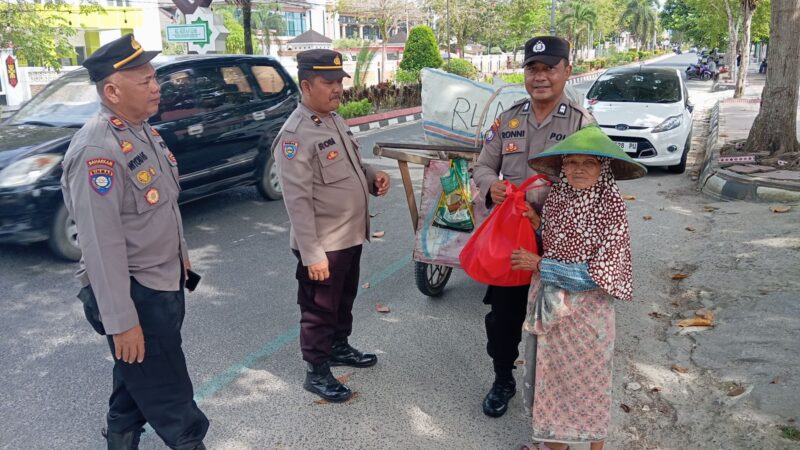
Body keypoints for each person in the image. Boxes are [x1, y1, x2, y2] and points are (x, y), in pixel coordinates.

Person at [60, 34, 208, 449]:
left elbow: (160, 210)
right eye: (143, 80)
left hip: (160, 284)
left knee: (134, 382)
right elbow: (101, 246)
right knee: (173, 399)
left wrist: (181, 259)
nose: (155, 86)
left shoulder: (141, 132)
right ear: (112, 90)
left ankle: (121, 440)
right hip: (134, 298)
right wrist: (122, 322)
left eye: (153, 77)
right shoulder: (97, 150)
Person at [472, 36, 595, 418]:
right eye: (533, 69)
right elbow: (481, 166)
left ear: (566, 72)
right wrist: (489, 186)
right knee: (503, 316)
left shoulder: (580, 124)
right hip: (510, 239)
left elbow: (592, 185)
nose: (540, 77)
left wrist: (549, 219)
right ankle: (502, 378)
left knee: (557, 317)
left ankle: (553, 386)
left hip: (556, 241)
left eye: (549, 69)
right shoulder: (508, 119)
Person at [515, 126, 647, 450]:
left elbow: (600, 275)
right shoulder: (558, 197)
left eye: (588, 162)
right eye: (571, 162)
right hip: (550, 310)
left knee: (588, 386)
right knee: (552, 383)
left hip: (589, 318)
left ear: (603, 167)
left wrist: (540, 265)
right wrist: (537, 222)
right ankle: (552, 443)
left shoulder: (612, 209)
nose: (578, 169)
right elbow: (560, 240)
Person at [274, 49, 390, 403]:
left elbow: (351, 164)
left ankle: (339, 345)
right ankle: (317, 370)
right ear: (306, 84)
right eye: (329, 82)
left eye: (340, 81)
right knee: (319, 309)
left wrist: (373, 175)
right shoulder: (295, 135)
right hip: (323, 244)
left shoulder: (334, 120)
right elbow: (297, 201)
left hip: (348, 236)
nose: (338, 88)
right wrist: (312, 254)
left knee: (343, 299)